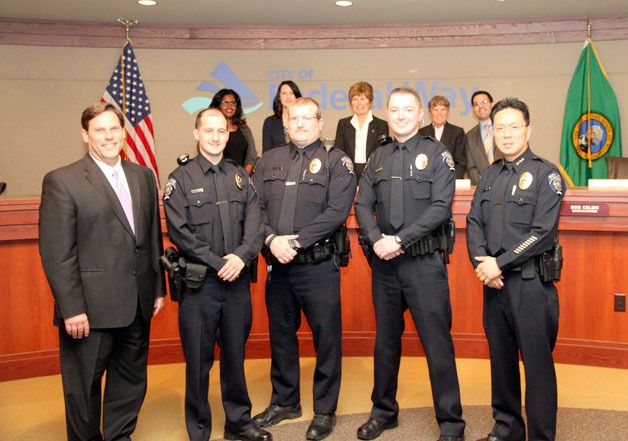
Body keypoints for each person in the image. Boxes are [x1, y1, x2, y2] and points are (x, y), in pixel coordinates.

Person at [38, 102, 165, 441]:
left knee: (130, 383)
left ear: (124, 133)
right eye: (100, 130)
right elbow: (57, 252)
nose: (109, 136)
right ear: (85, 135)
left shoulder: (143, 175)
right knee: (83, 390)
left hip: (137, 305)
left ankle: (119, 437)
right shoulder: (62, 181)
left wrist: (158, 288)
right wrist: (71, 307)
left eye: (114, 129)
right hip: (89, 312)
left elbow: (151, 237)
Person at [354, 87, 465, 441]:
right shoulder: (378, 156)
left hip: (423, 266)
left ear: (420, 115)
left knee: (437, 345)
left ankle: (451, 424)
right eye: (395, 110)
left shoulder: (437, 154)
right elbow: (361, 205)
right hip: (385, 266)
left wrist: (398, 240)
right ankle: (383, 412)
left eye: (408, 110)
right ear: (388, 114)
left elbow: (440, 207)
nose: (401, 116)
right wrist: (376, 240)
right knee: (385, 343)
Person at [251, 97, 356, 441]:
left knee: (326, 338)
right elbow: (256, 209)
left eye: (306, 118)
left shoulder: (336, 162)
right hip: (277, 267)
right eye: (292, 118)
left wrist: (293, 243)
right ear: (285, 122)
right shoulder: (268, 160)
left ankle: (324, 410)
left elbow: (337, 211)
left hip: (317, 265)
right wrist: (270, 241)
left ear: (320, 122)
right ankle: (285, 401)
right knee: (281, 336)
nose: (299, 123)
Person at [163, 108, 270, 441]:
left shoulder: (240, 176)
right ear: (196, 133)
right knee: (198, 362)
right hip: (200, 286)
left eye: (221, 131)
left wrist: (239, 257)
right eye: (208, 130)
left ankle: (238, 423)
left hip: (237, 282)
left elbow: (255, 225)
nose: (215, 136)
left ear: (228, 134)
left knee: (235, 357)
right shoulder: (180, 179)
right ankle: (198, 430)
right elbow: (180, 232)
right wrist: (217, 262)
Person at [466, 97, 565, 441]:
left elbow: (541, 234)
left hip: (530, 285)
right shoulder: (489, 174)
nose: (506, 135)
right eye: (499, 128)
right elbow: (473, 221)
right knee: (501, 362)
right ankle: (507, 428)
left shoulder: (546, 174)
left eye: (514, 127)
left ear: (528, 129)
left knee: (537, 368)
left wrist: (499, 263)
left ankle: (540, 435)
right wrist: (482, 263)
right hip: (493, 286)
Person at [333, 81, 389, 179]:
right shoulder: (343, 124)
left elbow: (383, 155)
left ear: (370, 101)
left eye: (363, 99)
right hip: (347, 174)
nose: (359, 103)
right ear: (350, 102)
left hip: (373, 174)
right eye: (355, 99)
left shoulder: (381, 125)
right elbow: (338, 153)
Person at [209, 88, 258, 174]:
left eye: (233, 103)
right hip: (217, 178)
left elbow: (252, 156)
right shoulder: (211, 130)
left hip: (241, 179)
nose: (229, 106)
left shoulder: (244, 129)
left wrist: (242, 177)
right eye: (225, 103)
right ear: (217, 105)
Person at [418, 95, 467, 179]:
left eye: (443, 109)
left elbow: (461, 162)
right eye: (435, 110)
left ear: (447, 111)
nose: (439, 113)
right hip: (428, 181)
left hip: (451, 180)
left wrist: (451, 180)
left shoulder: (457, 132)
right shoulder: (421, 133)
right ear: (430, 112)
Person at [465, 90, 502, 185]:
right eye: (476, 104)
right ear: (473, 109)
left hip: (507, 184)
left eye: (484, 102)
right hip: (482, 188)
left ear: (492, 104)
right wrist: (483, 185)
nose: (480, 106)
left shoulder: (504, 128)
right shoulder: (469, 136)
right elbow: (471, 167)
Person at [262, 80, 302, 153]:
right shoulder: (270, 122)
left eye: (291, 93)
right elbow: (266, 153)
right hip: (276, 163)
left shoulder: (303, 120)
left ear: (297, 97)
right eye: (284, 93)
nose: (288, 97)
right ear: (279, 97)